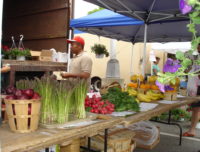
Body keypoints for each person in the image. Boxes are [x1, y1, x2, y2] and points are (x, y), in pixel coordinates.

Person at [183, 43, 200, 137]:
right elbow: (186, 71)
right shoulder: (195, 58)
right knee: (196, 109)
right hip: (196, 87)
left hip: (198, 87)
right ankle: (192, 130)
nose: (197, 48)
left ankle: (192, 130)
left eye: (199, 46)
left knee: (196, 109)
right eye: (197, 46)